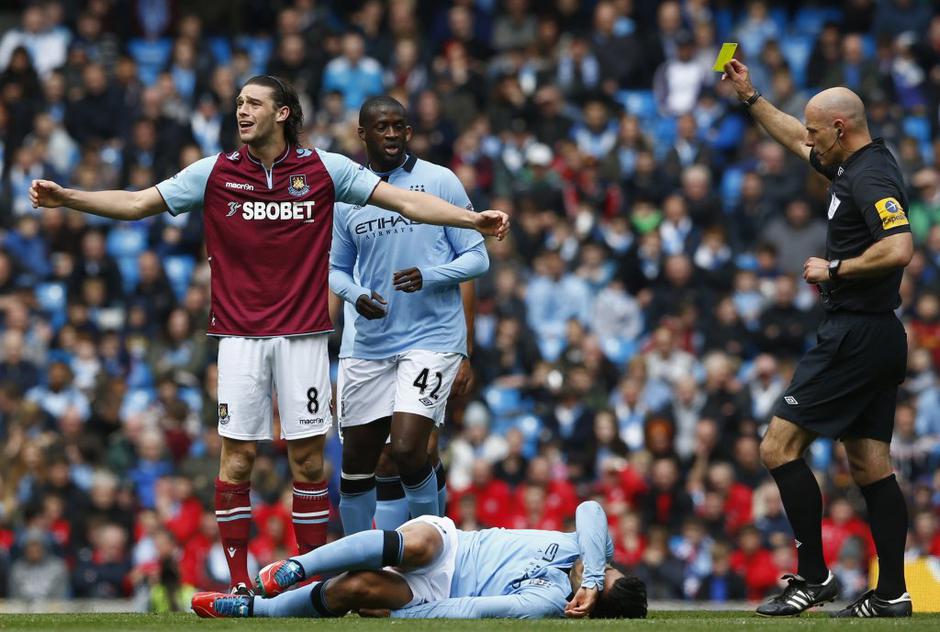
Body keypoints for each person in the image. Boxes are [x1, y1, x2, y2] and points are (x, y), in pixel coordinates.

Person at [28, 75, 509, 596]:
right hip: (238, 338)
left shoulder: (325, 169)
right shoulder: (214, 172)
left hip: (303, 336)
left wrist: (471, 219)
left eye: (253, 103)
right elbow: (139, 202)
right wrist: (69, 197)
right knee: (236, 459)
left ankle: (306, 584)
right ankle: (239, 584)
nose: (241, 110)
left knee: (308, 462)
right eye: (238, 102)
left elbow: (405, 202)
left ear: (283, 113)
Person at [723, 59, 913, 618]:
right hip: (878, 335)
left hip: (854, 333)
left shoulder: (871, 177)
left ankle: (813, 578)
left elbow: (900, 246)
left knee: (776, 447)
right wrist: (751, 98)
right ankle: (893, 594)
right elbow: (790, 137)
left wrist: (835, 269)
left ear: (839, 127)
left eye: (813, 130)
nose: (806, 139)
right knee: (870, 465)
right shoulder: (852, 163)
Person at [330, 96, 484, 535]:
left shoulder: (440, 181)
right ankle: (361, 567)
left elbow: (476, 260)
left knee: (408, 447)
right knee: (362, 459)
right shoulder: (346, 195)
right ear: (363, 134)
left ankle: (430, 556)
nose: (393, 134)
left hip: (431, 339)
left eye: (400, 126)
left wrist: (431, 278)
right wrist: (355, 294)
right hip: (369, 343)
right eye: (382, 127)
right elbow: (335, 269)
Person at [191, 501, 647, 620]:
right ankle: (296, 566)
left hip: (442, 590)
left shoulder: (547, 602)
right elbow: (590, 509)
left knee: (358, 589)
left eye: (599, 582)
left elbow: (472, 609)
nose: (597, 571)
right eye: (604, 572)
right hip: (453, 544)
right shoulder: (590, 551)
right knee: (420, 543)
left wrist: (400, 613)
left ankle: (253, 607)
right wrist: (592, 572)